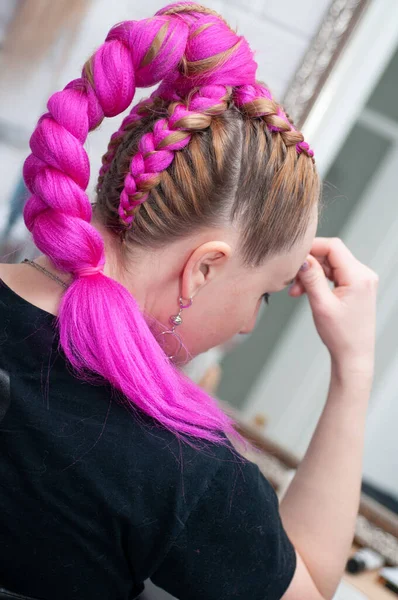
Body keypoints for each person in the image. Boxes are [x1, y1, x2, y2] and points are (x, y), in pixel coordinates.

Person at [0, 3, 378, 600]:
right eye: (264, 295)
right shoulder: (183, 472)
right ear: (204, 269)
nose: (251, 324)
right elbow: (307, 585)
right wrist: (353, 372)